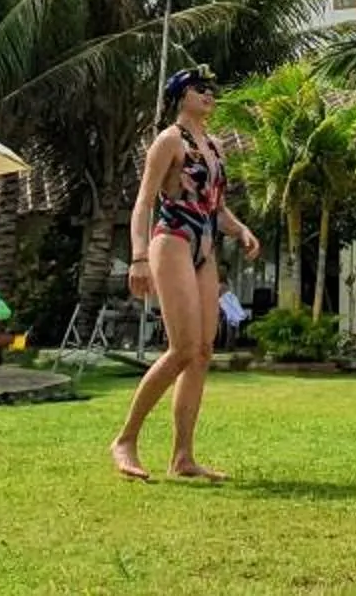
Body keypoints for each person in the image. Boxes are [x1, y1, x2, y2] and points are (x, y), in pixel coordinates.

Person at [110, 67, 261, 482]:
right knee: (181, 348)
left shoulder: (213, 146)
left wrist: (241, 228)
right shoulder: (169, 141)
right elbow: (143, 202)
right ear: (180, 96)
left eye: (212, 89)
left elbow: (216, 206)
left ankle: (183, 456)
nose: (209, 95)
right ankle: (125, 439)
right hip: (173, 238)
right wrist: (138, 257)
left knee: (202, 352)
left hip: (206, 245)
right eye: (199, 89)